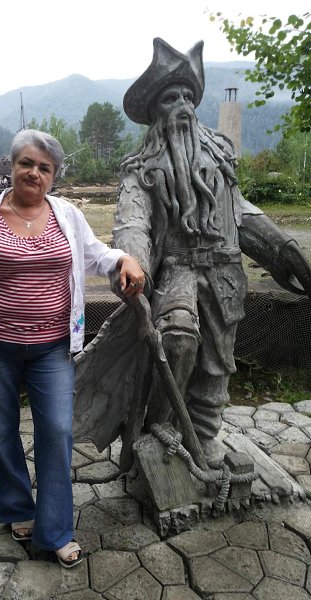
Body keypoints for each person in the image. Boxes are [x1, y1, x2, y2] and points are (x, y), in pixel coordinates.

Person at [73, 38, 311, 469]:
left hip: (224, 274)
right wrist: (133, 263)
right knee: (177, 340)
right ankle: (157, 429)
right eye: (170, 97)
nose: (182, 105)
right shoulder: (141, 168)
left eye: (188, 96)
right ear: (155, 111)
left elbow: (240, 212)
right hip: (176, 270)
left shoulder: (218, 158)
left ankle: (203, 435)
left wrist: (284, 249)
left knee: (217, 363)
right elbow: (132, 222)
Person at [0, 129, 145, 568]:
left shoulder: (67, 216)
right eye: (26, 163)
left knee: (56, 430)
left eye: (44, 167)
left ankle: (54, 530)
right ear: (11, 166)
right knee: (1, 432)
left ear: (53, 176)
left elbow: (96, 255)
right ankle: (17, 509)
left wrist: (124, 259)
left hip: (52, 347)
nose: (34, 173)